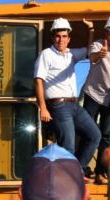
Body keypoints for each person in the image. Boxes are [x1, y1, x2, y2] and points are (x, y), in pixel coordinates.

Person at [34, 17, 101, 179]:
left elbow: (89, 52)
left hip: (74, 104)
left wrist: (91, 30)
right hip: (58, 106)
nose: (61, 40)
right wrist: (42, 107)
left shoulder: (71, 54)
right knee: (68, 146)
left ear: (69, 38)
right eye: (58, 36)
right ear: (53, 37)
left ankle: (78, 169)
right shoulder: (46, 54)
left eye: (64, 36)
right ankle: (66, 180)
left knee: (94, 135)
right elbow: (38, 80)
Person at [82, 14, 110, 185]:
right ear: (106, 33)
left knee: (106, 136)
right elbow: (92, 57)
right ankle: (81, 169)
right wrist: (100, 55)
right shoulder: (99, 45)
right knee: (88, 132)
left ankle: (101, 173)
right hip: (93, 94)